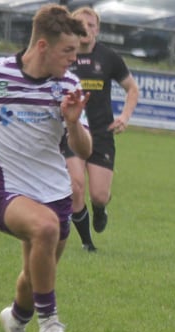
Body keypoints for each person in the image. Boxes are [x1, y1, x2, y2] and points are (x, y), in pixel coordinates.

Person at [0, 4, 92, 332]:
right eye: (68, 51)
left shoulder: (69, 85)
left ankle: (16, 322)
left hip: (54, 191)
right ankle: (49, 321)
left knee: (32, 277)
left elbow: (85, 149)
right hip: (3, 186)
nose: (73, 60)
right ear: (42, 47)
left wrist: (72, 122)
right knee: (45, 228)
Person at [61, 6, 139, 252]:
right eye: (81, 24)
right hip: (71, 131)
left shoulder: (109, 57)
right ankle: (87, 243)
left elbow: (132, 89)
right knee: (75, 187)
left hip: (102, 132)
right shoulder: (62, 56)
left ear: (98, 29)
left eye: (91, 25)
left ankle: (100, 208)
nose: (86, 29)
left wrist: (125, 117)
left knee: (98, 195)